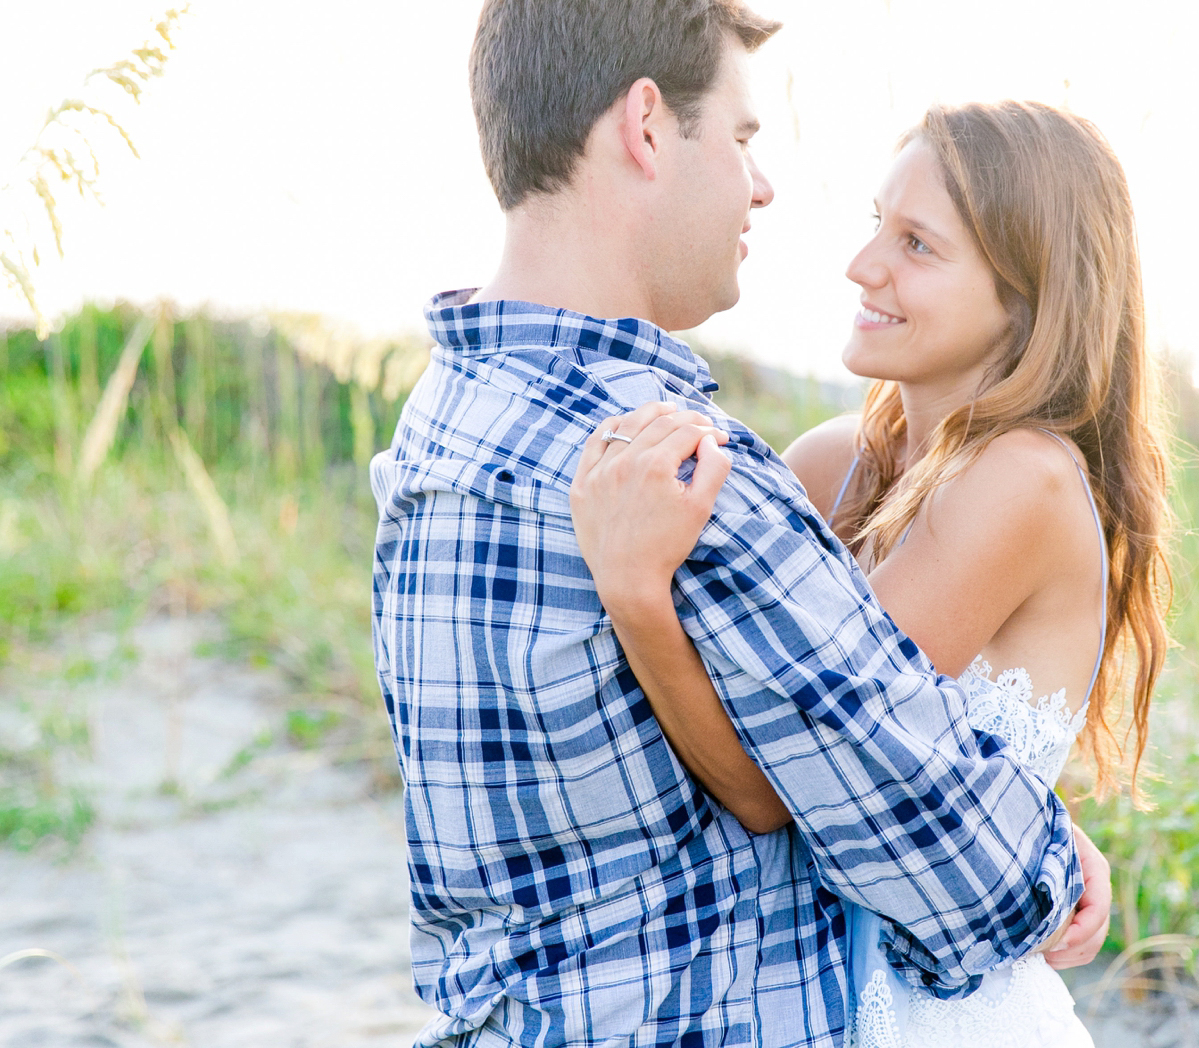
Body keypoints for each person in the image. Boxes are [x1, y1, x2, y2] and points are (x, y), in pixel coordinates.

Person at [368, 3, 1111, 1045]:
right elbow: (927, 838)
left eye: (917, 244)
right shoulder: (711, 467)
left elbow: (828, 761)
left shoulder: (442, 425)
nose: (765, 186)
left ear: (1026, 293)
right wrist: (1038, 846)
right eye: (744, 137)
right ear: (644, 126)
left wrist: (1027, 815)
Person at [567, 100, 1171, 1047]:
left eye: (918, 245)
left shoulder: (1024, 479)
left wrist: (637, 595)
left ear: (1028, 294)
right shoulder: (831, 461)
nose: (863, 267)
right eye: (875, 225)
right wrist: (1035, 823)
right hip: (797, 999)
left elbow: (778, 782)